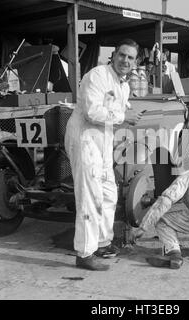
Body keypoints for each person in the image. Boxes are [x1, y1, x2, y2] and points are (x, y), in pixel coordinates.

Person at [65, 38, 145, 271]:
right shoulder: (97, 75)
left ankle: (102, 242)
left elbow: (114, 110)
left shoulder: (124, 85)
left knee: (109, 193)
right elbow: (92, 112)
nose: (125, 61)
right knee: (89, 196)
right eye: (122, 55)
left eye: (130, 58)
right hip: (84, 138)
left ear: (135, 62)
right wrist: (123, 116)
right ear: (113, 55)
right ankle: (85, 253)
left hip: (103, 141)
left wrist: (124, 112)